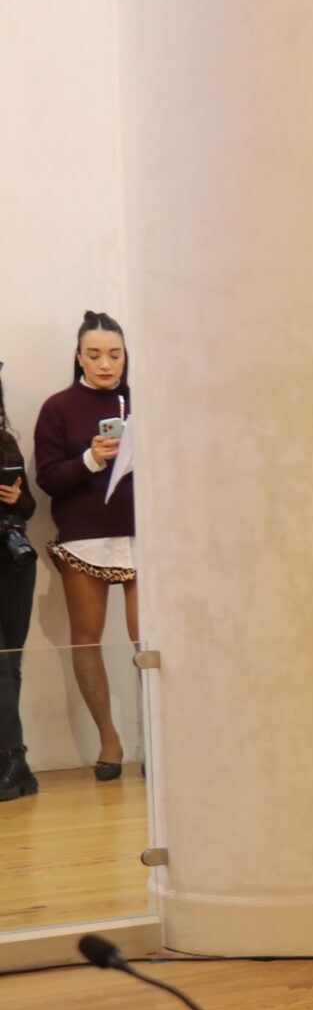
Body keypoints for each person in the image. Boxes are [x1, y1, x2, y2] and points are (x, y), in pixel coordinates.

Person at [32, 311, 138, 780]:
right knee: (86, 638)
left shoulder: (145, 401)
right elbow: (48, 479)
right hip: (84, 537)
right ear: (78, 357)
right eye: (94, 354)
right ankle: (108, 741)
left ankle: (158, 738)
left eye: (114, 354)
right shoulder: (58, 407)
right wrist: (91, 459)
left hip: (143, 534)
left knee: (150, 641)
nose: (105, 364)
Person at [0, 362, 33, 802]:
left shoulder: (6, 442)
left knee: (9, 662)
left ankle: (11, 758)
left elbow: (30, 508)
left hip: (13, 559)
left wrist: (17, 497)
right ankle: (14, 755)